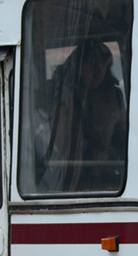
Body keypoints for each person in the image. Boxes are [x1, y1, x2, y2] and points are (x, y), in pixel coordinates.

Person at [35, 40, 126, 191]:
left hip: (100, 171)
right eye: (93, 65)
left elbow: (121, 134)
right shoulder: (53, 92)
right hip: (58, 173)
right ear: (78, 65)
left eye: (104, 66)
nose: (99, 71)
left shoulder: (113, 97)